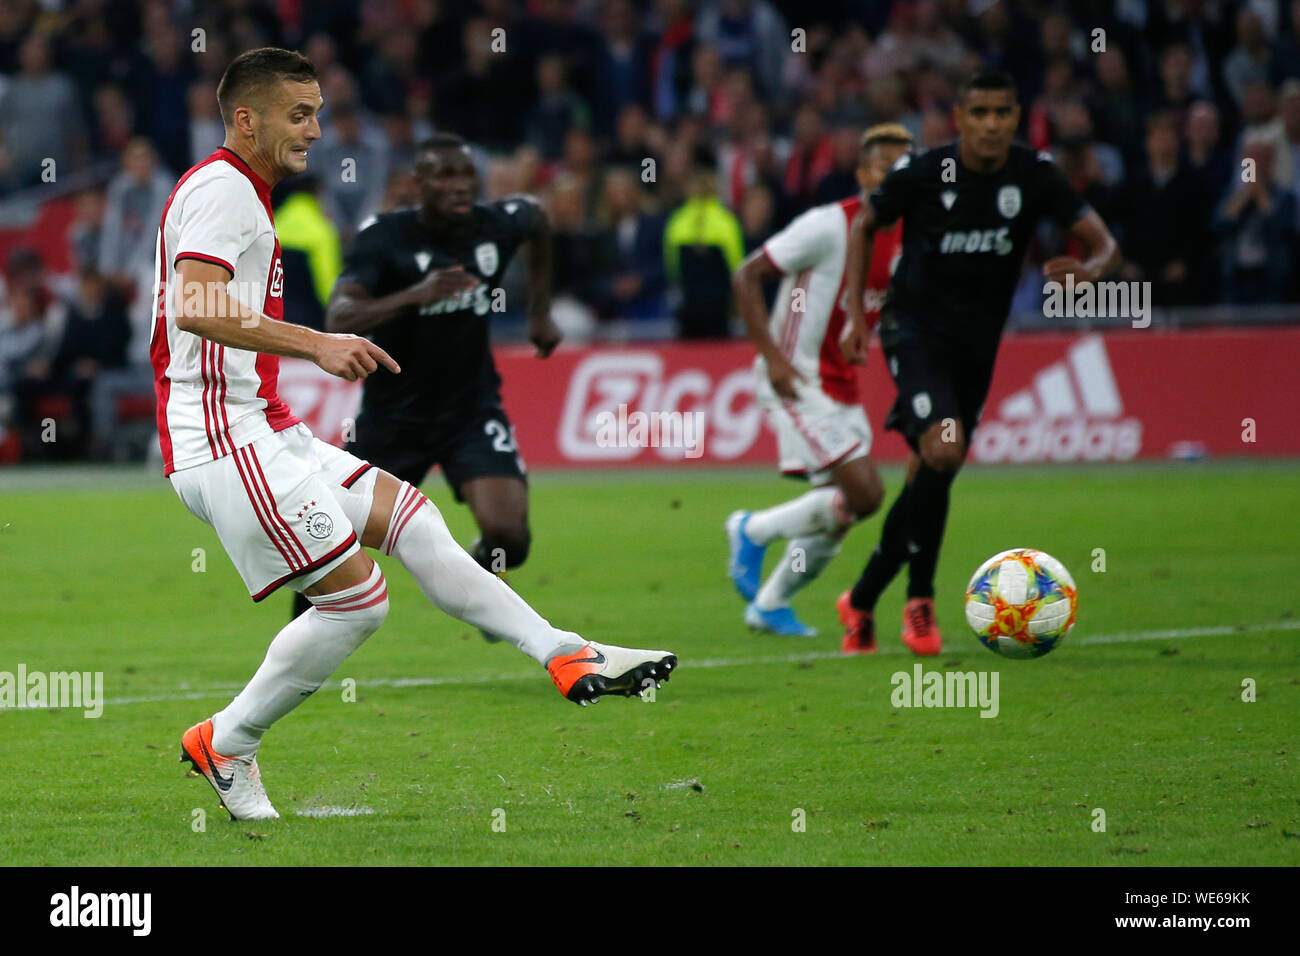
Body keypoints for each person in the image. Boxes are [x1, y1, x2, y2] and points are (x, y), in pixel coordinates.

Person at [157, 49, 676, 821]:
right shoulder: (225, 190)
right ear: (246, 118)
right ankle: (228, 741)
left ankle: (564, 650)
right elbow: (194, 305)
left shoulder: (241, 190)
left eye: (318, 112)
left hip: (265, 428)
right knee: (357, 605)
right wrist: (319, 343)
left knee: (417, 522)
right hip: (225, 439)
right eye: (299, 115)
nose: (316, 129)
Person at [838, 68, 1120, 656]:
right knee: (943, 448)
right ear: (960, 118)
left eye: (1003, 112)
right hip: (911, 331)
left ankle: (862, 598)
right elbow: (867, 223)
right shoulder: (923, 172)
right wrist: (856, 317)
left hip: (976, 348)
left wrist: (1091, 272)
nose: (991, 124)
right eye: (980, 113)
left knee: (930, 473)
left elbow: (1103, 243)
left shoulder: (1034, 174)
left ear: (1017, 117)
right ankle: (920, 601)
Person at [286, 132, 562, 628]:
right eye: (444, 176)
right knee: (331, 536)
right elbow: (340, 313)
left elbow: (537, 221)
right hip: (393, 418)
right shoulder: (384, 237)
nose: (459, 186)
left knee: (510, 537)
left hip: (471, 409)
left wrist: (541, 313)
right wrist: (417, 294)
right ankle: (300, 637)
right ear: (419, 184)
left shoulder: (494, 226)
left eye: (465, 175)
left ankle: (480, 584)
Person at [725, 124, 913, 639]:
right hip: (796, 379)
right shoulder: (828, 225)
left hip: (844, 387)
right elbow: (745, 275)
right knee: (866, 494)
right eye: (883, 167)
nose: (895, 176)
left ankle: (769, 604)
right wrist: (774, 360)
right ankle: (752, 529)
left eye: (904, 168)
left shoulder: (910, 238)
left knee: (841, 512)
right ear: (862, 175)